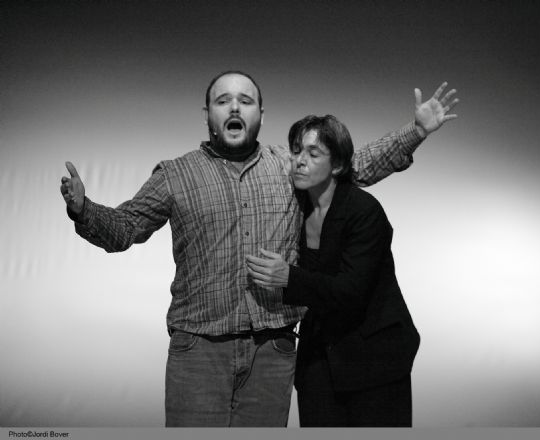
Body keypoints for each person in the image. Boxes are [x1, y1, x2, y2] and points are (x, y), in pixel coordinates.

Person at [59, 70, 458, 427]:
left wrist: (416, 131)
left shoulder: (289, 166)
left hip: (274, 350)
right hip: (200, 350)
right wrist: (83, 209)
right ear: (208, 115)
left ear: (260, 116)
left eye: (246, 101)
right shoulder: (174, 175)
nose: (235, 107)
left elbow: (355, 165)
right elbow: (125, 228)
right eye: (223, 100)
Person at [245, 110, 456, 426]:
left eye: (313, 153)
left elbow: (351, 291)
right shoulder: (296, 208)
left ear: (338, 165)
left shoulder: (363, 211)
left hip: (374, 358)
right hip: (320, 358)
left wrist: (289, 277)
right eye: (297, 150)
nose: (299, 160)